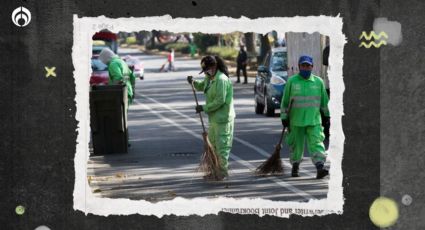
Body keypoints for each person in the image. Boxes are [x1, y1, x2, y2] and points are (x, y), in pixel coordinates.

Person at [280, 55, 330, 179]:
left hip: (314, 120)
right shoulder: (292, 81)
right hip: (295, 121)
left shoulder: (318, 82)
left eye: (308, 65)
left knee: (317, 143)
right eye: (303, 65)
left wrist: (327, 116)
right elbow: (285, 102)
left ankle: (320, 166)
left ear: (312, 67)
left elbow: (324, 101)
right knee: (296, 146)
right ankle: (295, 165)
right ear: (299, 67)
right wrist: (284, 117)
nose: (306, 68)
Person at [187, 56, 235, 180]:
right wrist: (193, 82)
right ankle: (214, 171)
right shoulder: (210, 77)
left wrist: (204, 108)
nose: (206, 73)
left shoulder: (222, 80)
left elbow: (220, 101)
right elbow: (202, 86)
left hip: (223, 119)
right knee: (212, 146)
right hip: (213, 119)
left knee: (222, 147)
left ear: (214, 67)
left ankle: (222, 173)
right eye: (205, 71)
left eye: (207, 70)